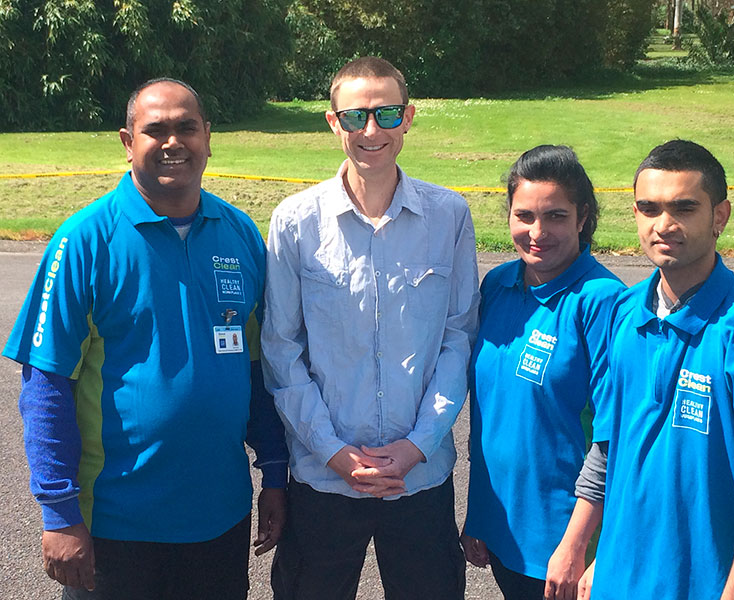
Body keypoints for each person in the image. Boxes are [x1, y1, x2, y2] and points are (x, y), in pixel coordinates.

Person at [2, 78, 288, 600]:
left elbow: (258, 369)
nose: (173, 142)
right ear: (127, 142)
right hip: (117, 524)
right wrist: (60, 513)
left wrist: (274, 471)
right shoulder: (84, 239)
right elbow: (45, 386)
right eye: (155, 130)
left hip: (219, 516)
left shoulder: (240, 232)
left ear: (208, 137)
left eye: (187, 128)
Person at [261, 56, 480, 599]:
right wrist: (333, 451)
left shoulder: (450, 215)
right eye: (356, 117)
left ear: (408, 117)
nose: (372, 131)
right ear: (333, 123)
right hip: (325, 477)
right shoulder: (295, 221)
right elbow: (281, 348)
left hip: (420, 478)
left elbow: (458, 340)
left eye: (385, 113)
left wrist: (418, 445)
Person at [549, 139, 734, 600]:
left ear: (720, 216)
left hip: (708, 585)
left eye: (684, 207)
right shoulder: (623, 313)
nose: (663, 225)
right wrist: (586, 550)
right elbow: (610, 447)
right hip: (618, 580)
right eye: (649, 208)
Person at [459, 146, 625, 600]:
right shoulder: (497, 285)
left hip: (566, 539)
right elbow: (489, 418)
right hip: (503, 527)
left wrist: (577, 546)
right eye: (524, 215)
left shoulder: (605, 303)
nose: (537, 232)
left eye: (555, 216)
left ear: (582, 216)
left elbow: (617, 437)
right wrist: (479, 515)